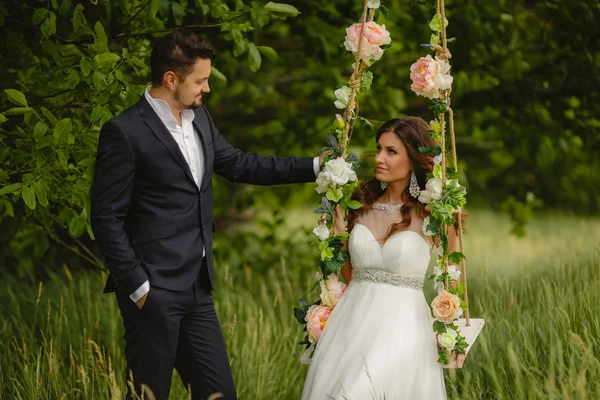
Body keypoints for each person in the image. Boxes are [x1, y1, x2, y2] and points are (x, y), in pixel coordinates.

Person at [90, 31, 327, 400]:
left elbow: (240, 164)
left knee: (219, 394)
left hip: (199, 287)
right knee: (149, 395)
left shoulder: (199, 118)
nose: (207, 89)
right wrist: (138, 286)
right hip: (152, 291)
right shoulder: (125, 131)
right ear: (172, 79)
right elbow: (105, 216)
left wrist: (314, 167)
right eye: (200, 81)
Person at [302, 117, 463, 399]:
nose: (379, 158)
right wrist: (340, 237)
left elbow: (452, 274)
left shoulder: (434, 214)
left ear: (413, 159)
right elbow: (353, 278)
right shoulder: (358, 205)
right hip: (350, 326)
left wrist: (453, 335)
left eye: (391, 151)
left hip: (403, 330)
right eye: (379, 148)